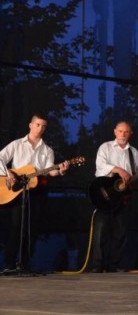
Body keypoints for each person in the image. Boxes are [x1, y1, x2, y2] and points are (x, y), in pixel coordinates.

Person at [90, 121, 138, 273]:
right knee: (100, 232)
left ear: (130, 134)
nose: (123, 134)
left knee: (120, 233)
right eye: (120, 131)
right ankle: (97, 266)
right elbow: (100, 166)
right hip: (105, 195)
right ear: (115, 132)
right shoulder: (105, 147)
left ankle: (113, 266)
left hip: (123, 198)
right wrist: (118, 169)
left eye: (126, 132)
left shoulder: (134, 152)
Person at [0, 114, 71, 273]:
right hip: (17, 190)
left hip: (37, 191)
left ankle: (25, 264)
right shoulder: (17, 144)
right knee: (15, 227)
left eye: (43, 126)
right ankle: (9, 264)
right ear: (30, 125)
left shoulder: (47, 150)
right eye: (38, 124)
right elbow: (0, 158)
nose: (40, 128)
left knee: (32, 229)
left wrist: (61, 171)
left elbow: (50, 171)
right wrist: (8, 173)